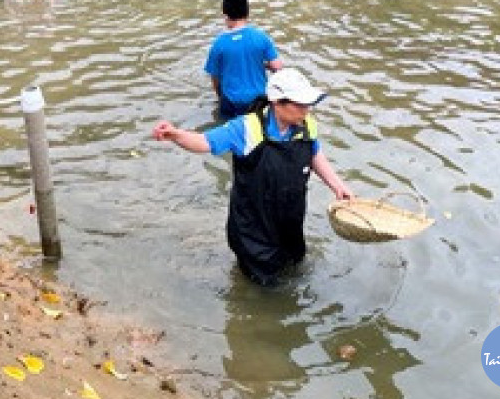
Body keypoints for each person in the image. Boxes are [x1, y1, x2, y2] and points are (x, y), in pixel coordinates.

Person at [152, 68, 354, 286]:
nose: (307, 110)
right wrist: (176, 135)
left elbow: (314, 155)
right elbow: (204, 142)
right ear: (277, 102)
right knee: (263, 286)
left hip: (290, 216)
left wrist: (337, 186)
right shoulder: (247, 127)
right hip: (254, 224)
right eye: (300, 104)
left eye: (308, 104)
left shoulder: (306, 124)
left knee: (295, 266)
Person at [205, 0, 283, 119]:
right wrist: (263, 65)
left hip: (232, 102)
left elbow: (215, 79)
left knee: (230, 133)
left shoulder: (218, 44)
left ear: (225, 15)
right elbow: (277, 67)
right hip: (259, 100)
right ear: (247, 13)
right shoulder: (261, 37)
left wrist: (220, 97)